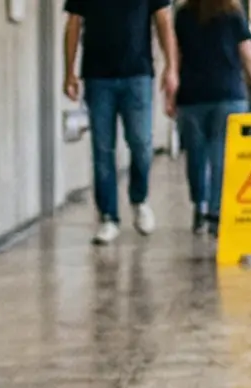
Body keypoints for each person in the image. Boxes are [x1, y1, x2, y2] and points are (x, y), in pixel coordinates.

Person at [65, 0, 179, 245]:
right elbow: (73, 23)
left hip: (137, 73)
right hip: (97, 76)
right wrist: (69, 71)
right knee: (102, 149)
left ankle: (139, 199)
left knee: (141, 143)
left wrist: (171, 67)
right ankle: (108, 216)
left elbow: (163, 21)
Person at [170, 0, 251, 235]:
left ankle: (199, 206)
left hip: (192, 95)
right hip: (228, 93)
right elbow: (247, 53)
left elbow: (176, 56)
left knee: (195, 154)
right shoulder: (233, 13)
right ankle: (216, 212)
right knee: (221, 155)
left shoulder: (183, 14)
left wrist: (172, 92)